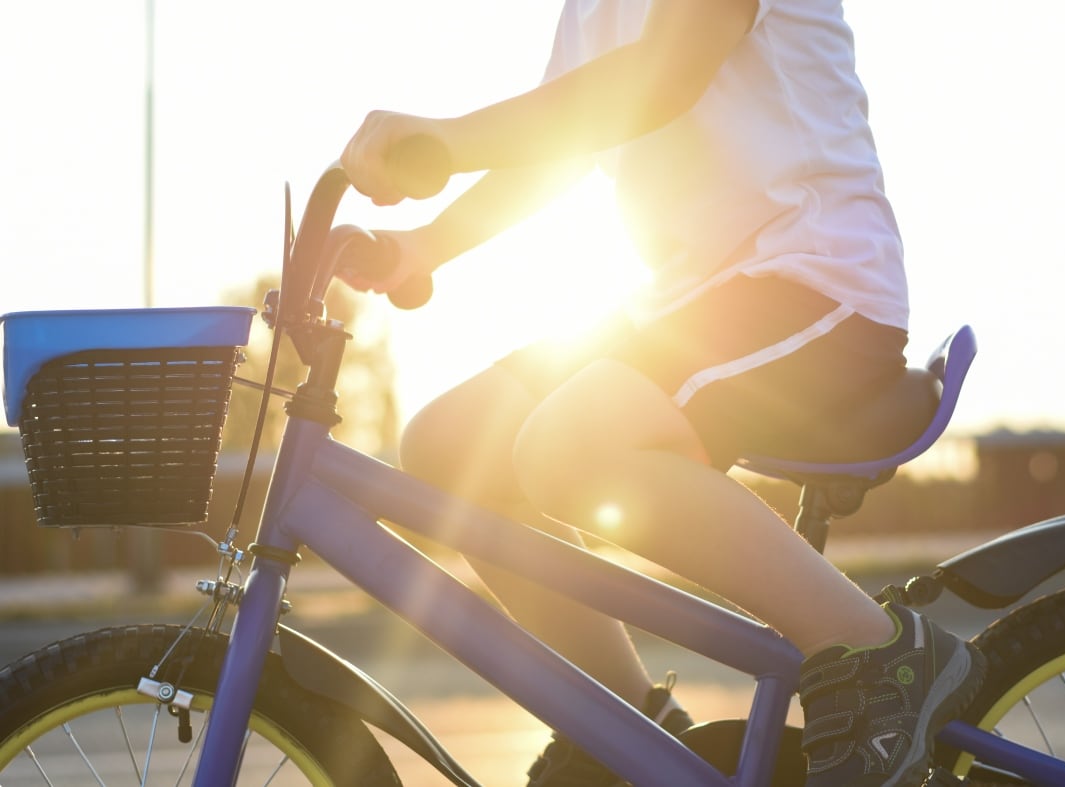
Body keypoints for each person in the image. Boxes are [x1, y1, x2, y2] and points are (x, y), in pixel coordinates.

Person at [338, 1, 985, 785]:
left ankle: (887, 656)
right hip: (688, 302)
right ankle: (624, 728)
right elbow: (560, 146)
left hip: (814, 284)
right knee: (449, 445)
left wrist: (444, 138)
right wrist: (424, 246)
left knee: (568, 450)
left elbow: (658, 79)